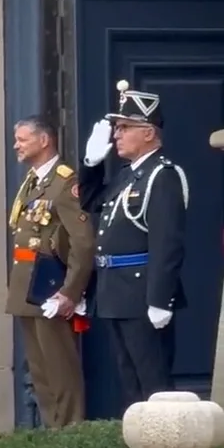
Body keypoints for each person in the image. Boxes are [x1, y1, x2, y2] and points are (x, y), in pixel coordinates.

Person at [82, 82, 189, 407]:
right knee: (131, 385)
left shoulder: (162, 175)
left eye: (125, 127)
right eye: (116, 127)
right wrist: (91, 163)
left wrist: (160, 299)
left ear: (149, 133)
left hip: (143, 295)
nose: (116, 134)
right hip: (117, 292)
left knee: (153, 384)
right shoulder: (129, 175)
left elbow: (166, 243)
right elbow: (90, 201)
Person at [6, 115, 94, 427]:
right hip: (28, 286)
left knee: (61, 369)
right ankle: (52, 436)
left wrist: (70, 292)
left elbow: (83, 244)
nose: (16, 144)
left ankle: (70, 433)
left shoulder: (64, 182)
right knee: (41, 372)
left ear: (44, 141)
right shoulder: (33, 180)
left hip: (51, 288)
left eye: (23, 139)